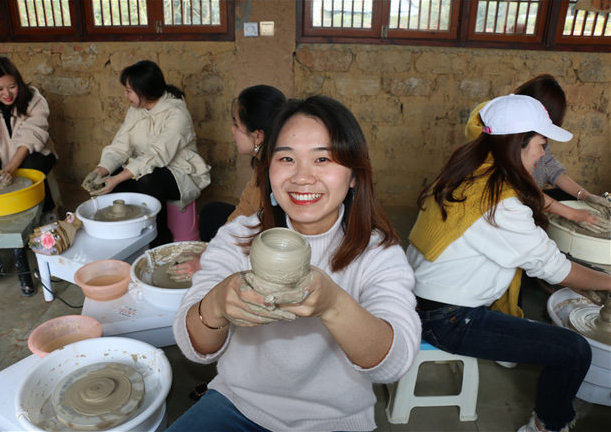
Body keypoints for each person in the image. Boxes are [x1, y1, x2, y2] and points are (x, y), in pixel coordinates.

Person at [169, 95, 421, 431]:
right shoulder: (238, 237)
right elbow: (195, 346)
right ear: (267, 169)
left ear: (354, 176)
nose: (302, 177)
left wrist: (332, 304)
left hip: (335, 418)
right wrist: (216, 304)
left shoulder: (377, 253)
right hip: (237, 402)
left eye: (323, 159)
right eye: (287, 158)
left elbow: (395, 361)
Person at [408, 94, 611, 432]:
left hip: (422, 297)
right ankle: (547, 424)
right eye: (541, 145)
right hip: (447, 317)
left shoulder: (473, 171)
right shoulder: (498, 201)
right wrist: (608, 282)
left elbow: (541, 257)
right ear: (518, 145)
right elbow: (554, 268)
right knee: (574, 350)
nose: (543, 155)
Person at [82, 60, 210, 247]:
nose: (126, 95)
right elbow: (120, 146)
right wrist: (100, 171)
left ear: (145, 90)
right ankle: (127, 240)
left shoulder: (177, 114)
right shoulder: (136, 110)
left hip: (179, 171)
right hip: (144, 167)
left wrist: (118, 178)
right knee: (114, 188)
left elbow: (156, 154)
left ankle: (160, 239)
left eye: (129, 90)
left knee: (148, 179)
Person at [465, 74, 610, 227]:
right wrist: (572, 214)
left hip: (524, 200)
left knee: (564, 196)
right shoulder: (501, 142)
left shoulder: (526, 138)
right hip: (506, 211)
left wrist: (585, 195)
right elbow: (521, 189)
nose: (543, 152)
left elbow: (550, 167)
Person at [0, 56, 57, 211]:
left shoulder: (35, 100)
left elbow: (30, 138)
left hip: (32, 152)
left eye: (12, 87)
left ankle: (44, 212)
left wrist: (8, 170)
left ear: (19, 83)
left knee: (32, 166)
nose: (7, 93)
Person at [198, 84, 286, 242]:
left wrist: (219, 249)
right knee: (211, 213)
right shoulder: (261, 162)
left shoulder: (277, 173)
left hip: (270, 241)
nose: (232, 130)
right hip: (257, 224)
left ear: (258, 136)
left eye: (236, 125)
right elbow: (246, 206)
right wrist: (219, 241)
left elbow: (265, 228)